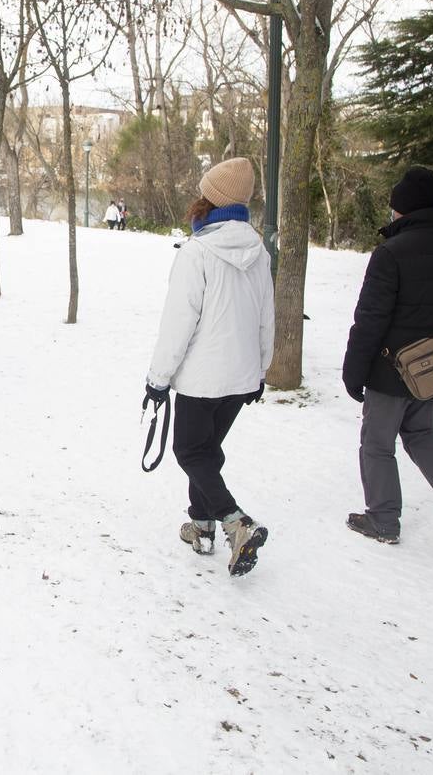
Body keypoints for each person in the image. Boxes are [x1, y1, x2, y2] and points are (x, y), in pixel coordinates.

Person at [342, 165, 433, 546]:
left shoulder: (390, 253)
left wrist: (354, 372)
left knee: (377, 443)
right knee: (421, 433)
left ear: (401, 209)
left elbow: (369, 320)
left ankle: (383, 520)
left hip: (390, 371)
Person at [145, 157, 274, 577]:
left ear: (209, 200)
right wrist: (260, 372)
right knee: (207, 453)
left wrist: (158, 380)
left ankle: (236, 523)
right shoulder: (259, 251)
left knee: (190, 451)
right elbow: (265, 317)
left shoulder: (197, 252)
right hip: (240, 377)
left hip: (203, 378)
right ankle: (201, 527)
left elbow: (178, 324)